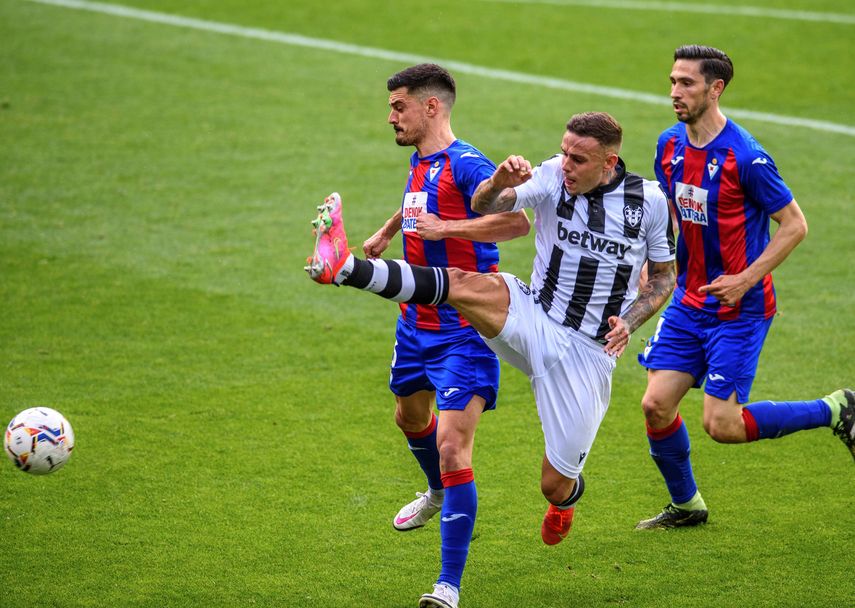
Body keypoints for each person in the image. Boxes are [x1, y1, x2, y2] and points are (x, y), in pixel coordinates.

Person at [307, 111, 677, 608]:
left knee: (553, 483)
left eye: (579, 158)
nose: (566, 163)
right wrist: (501, 180)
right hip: (534, 313)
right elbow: (491, 203)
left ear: (609, 161)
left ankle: (566, 500)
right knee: (461, 284)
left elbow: (662, 278)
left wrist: (629, 322)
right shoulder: (549, 175)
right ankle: (346, 266)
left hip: (586, 354)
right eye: (564, 151)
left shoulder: (649, 202)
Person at [317, 63, 530, 608]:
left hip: (465, 329)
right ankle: (436, 492)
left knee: (454, 449)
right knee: (409, 418)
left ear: (430, 107)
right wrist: (391, 228)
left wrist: (469, 213)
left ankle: (448, 585)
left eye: (398, 106)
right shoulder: (424, 159)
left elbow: (514, 221)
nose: (391, 115)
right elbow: (421, 195)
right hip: (415, 321)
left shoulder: (466, 164)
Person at [635, 44, 854, 530]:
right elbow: (673, 210)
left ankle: (835, 408)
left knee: (723, 426)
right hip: (690, 301)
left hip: (741, 309)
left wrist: (745, 279)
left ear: (716, 89)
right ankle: (687, 506)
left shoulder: (746, 157)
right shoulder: (668, 145)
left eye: (687, 83)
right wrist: (660, 264)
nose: (675, 92)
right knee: (655, 404)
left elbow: (795, 224)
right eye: (673, 81)